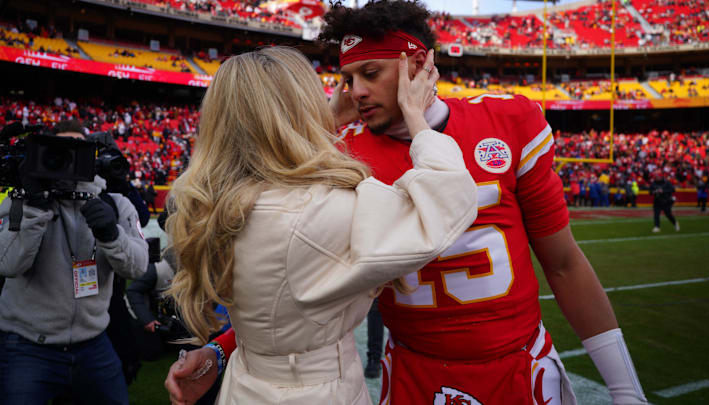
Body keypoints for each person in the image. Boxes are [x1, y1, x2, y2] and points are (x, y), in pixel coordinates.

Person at [166, 2, 648, 405]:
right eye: (348, 77)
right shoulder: (339, 155)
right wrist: (227, 348)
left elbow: (563, 263)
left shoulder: (507, 120)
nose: (356, 91)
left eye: (370, 73)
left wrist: (626, 390)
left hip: (518, 365)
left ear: (418, 64)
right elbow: (291, 288)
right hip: (415, 373)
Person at [164, 46, 477, 405]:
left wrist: (220, 351)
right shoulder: (318, 211)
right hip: (312, 392)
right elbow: (447, 202)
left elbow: (279, 314)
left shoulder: (217, 200)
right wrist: (415, 114)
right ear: (301, 109)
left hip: (249, 381)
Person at [0, 119, 149, 404]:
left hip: (93, 343)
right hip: (27, 345)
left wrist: (111, 235)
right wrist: (34, 210)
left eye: (78, 150)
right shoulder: (20, 200)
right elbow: (7, 265)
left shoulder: (116, 204)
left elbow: (138, 266)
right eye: (59, 151)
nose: (68, 160)